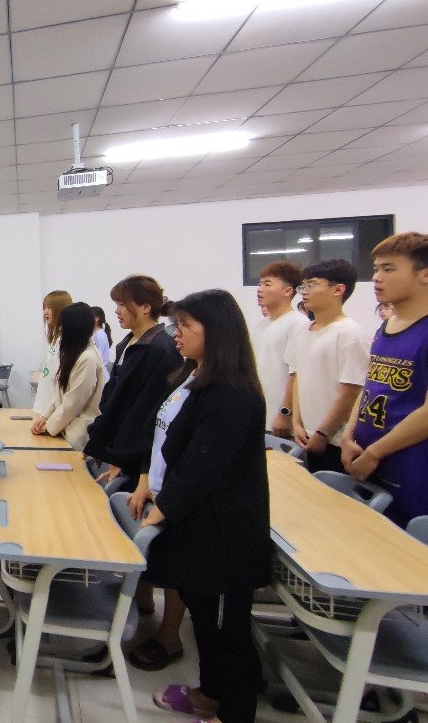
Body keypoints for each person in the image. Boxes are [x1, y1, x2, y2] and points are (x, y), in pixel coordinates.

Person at [146, 289, 271, 723]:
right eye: (175, 325)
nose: (176, 334)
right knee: (206, 619)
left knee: (225, 628)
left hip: (223, 534)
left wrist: (163, 509)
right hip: (203, 526)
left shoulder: (231, 392)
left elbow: (204, 464)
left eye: (185, 326)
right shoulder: (202, 380)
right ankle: (209, 693)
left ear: (216, 332)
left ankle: (234, 711)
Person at [83, 274, 182, 670]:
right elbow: (119, 401)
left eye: (123, 304)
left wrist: (139, 470)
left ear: (145, 306)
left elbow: (152, 417)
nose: (117, 311)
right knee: (131, 533)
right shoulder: (130, 343)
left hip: (150, 463)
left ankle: (168, 633)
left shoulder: (160, 349)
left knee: (163, 549)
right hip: (127, 453)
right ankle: (142, 605)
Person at [343, 233, 428, 526]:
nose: (377, 278)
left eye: (389, 269)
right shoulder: (386, 326)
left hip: (410, 467)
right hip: (368, 459)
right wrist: (349, 435)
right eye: (376, 269)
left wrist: (375, 452)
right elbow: (370, 385)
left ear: (425, 274)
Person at [286, 259, 370, 473]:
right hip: (304, 434)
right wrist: (296, 423)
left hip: (334, 441)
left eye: (312, 284)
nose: (304, 291)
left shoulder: (349, 333)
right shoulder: (303, 331)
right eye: (303, 286)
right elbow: (297, 377)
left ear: (338, 290)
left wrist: (324, 433)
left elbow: (351, 391)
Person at [31, 302, 106, 448]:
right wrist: (44, 417)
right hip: (66, 426)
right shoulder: (75, 354)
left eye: (63, 325)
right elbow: (61, 393)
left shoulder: (88, 359)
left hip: (78, 433)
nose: (60, 329)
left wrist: (48, 425)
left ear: (74, 328)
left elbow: (73, 403)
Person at [251, 261, 307, 437]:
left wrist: (285, 412)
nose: (259, 289)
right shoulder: (262, 325)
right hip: (260, 415)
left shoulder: (298, 323)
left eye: (267, 284)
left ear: (288, 291)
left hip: (281, 421)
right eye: (260, 284)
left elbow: (296, 374)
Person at [34, 290, 73, 415]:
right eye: (45, 307)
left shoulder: (66, 340)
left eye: (50, 307)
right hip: (45, 409)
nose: (45, 312)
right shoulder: (56, 339)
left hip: (54, 413)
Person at [91, 305, 113, 378]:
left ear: (97, 318)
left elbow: (97, 357)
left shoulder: (100, 335)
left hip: (100, 376)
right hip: (97, 373)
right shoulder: (95, 334)